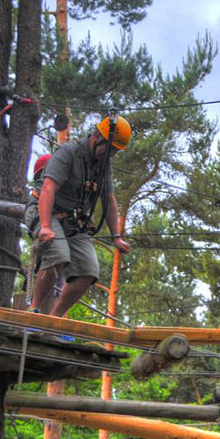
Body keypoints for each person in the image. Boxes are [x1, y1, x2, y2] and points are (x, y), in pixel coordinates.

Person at [33, 114, 132, 317]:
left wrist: (117, 237)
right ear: (96, 136)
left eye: (115, 151)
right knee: (59, 255)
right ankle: (33, 309)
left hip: (73, 219)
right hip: (45, 210)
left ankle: (55, 319)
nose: (111, 154)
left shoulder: (104, 164)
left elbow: (109, 200)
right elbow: (48, 189)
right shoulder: (68, 152)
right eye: (110, 148)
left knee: (88, 271)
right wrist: (45, 225)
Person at [24, 153, 62, 314]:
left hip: (58, 242)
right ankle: (34, 308)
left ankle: (58, 320)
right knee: (51, 263)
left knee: (63, 276)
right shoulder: (40, 194)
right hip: (47, 238)